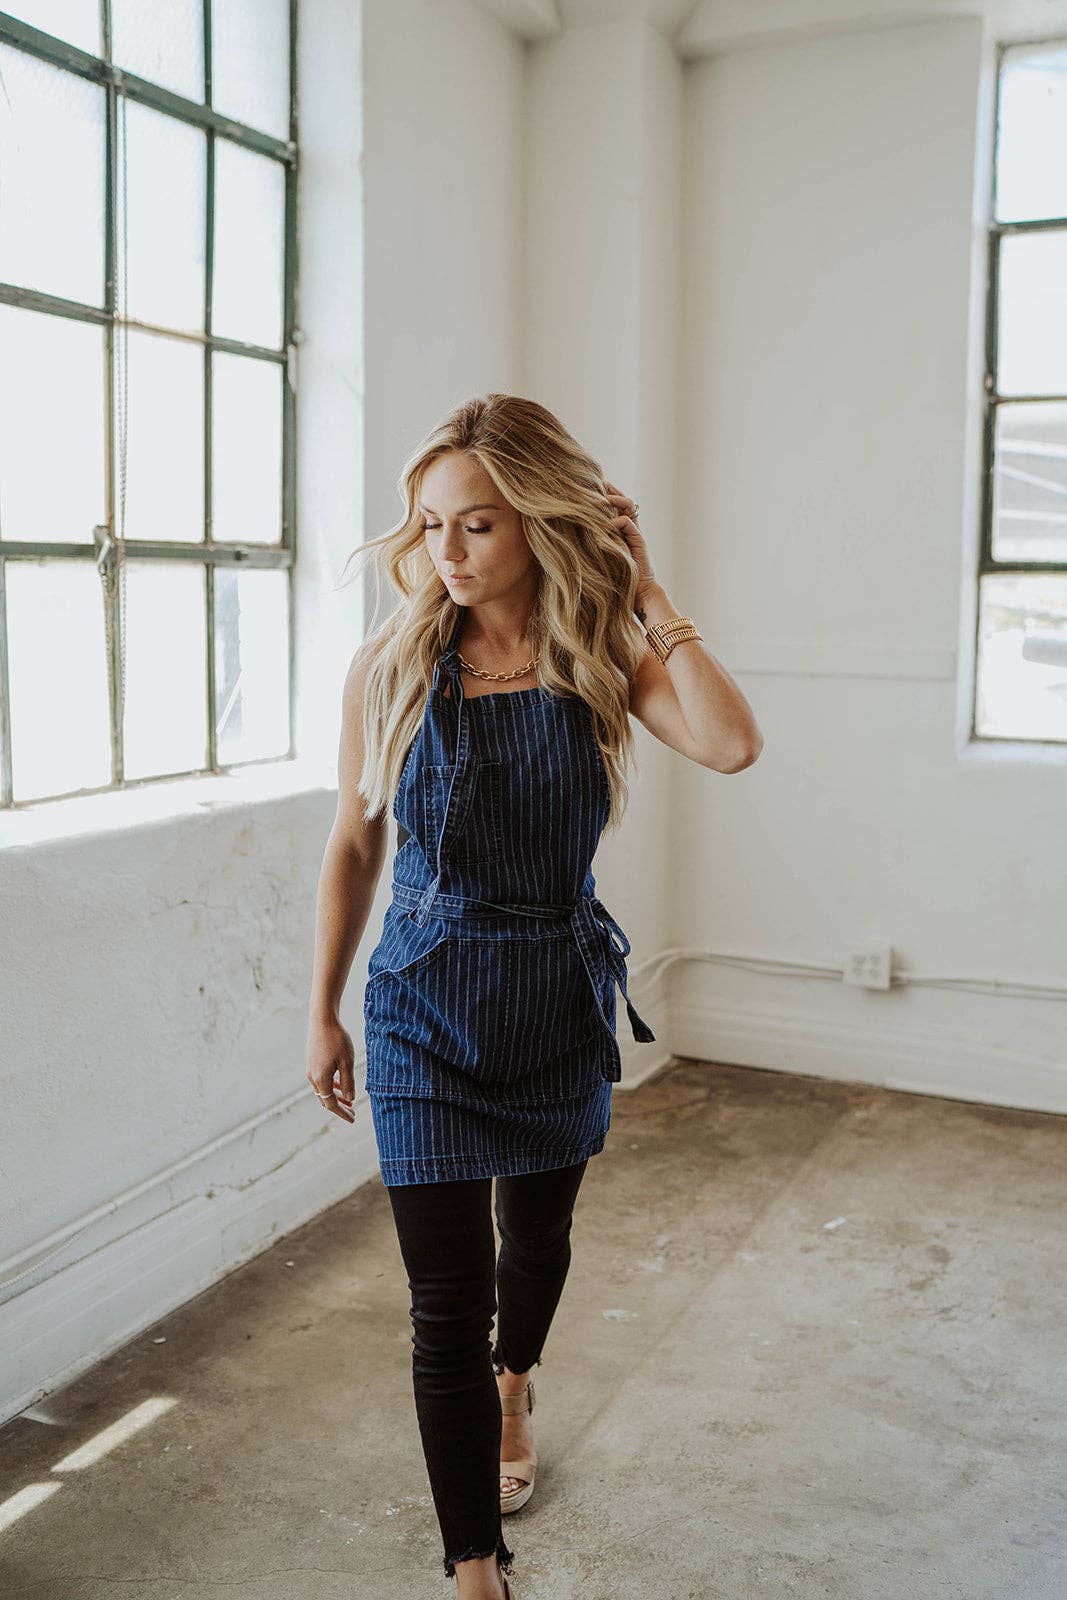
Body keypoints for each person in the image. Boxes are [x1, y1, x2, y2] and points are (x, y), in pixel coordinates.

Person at [305, 393, 763, 1597]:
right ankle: (475, 1566)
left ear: (539, 522)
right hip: (418, 1007)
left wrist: (647, 593)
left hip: (553, 997)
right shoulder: (389, 667)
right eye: (430, 524)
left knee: (537, 1241)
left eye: (477, 525)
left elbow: (728, 743)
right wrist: (322, 1008)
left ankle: (518, 1381)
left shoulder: (596, 657)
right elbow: (353, 845)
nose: (447, 552)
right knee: (441, 1308)